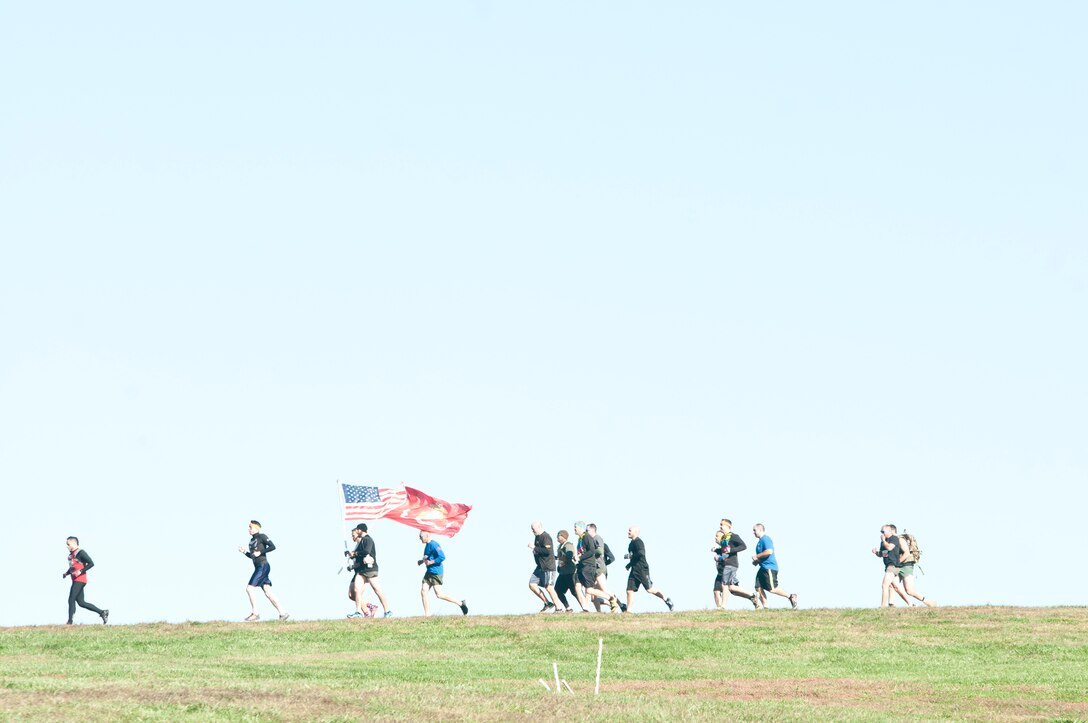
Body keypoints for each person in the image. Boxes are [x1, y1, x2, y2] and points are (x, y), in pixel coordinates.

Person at [239, 520, 288, 622]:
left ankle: (255, 613)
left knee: (249, 588)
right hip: (258, 567)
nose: (248, 529)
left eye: (250, 527)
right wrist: (244, 552)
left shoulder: (262, 536)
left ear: (256, 528)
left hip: (263, 566)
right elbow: (253, 556)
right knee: (268, 592)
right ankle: (283, 613)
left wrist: (260, 552)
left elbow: (272, 546)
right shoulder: (251, 541)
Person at [573, 521, 623, 612]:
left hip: (589, 566)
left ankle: (610, 598)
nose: (574, 529)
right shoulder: (580, 539)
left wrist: (580, 557)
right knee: (584, 589)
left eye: (575, 527)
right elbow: (583, 551)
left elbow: (592, 551)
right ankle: (589, 609)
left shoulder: (587, 537)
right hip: (582, 566)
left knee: (590, 590)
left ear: (580, 528)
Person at [623, 526, 673, 613]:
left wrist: (630, 556)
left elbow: (641, 553)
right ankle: (629, 611)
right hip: (634, 570)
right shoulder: (631, 544)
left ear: (635, 532)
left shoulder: (638, 542)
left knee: (649, 590)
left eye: (630, 531)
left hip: (642, 570)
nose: (628, 532)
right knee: (629, 590)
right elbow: (634, 558)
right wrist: (629, 564)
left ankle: (666, 599)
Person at [418, 531, 468, 616]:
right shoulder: (427, 546)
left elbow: (442, 557)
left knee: (439, 594)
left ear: (427, 535)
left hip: (436, 572)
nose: (420, 538)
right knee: (423, 591)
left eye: (421, 536)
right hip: (429, 572)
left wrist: (431, 562)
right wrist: (422, 561)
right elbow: (427, 556)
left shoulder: (434, 545)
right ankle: (427, 615)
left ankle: (461, 603)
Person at [715, 519, 762, 609]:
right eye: (720, 524)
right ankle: (752, 596)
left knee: (724, 585)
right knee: (732, 588)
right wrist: (716, 551)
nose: (720, 526)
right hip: (726, 563)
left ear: (729, 526)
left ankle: (723, 606)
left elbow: (743, 546)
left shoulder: (733, 536)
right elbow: (724, 551)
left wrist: (731, 550)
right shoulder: (724, 538)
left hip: (731, 563)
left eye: (722, 525)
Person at [346, 524, 392, 618]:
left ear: (361, 530)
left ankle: (387, 611)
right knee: (357, 590)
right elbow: (356, 554)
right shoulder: (362, 540)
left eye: (358, 529)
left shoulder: (368, 539)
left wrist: (355, 553)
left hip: (370, 569)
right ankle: (358, 612)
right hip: (362, 571)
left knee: (377, 590)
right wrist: (351, 555)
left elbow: (366, 551)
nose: (357, 530)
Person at [750, 523, 798, 609]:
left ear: (760, 530)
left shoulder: (766, 539)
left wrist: (757, 556)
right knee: (758, 587)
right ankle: (765, 607)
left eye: (754, 530)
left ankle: (791, 596)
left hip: (769, 567)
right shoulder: (759, 542)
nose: (753, 532)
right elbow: (764, 555)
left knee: (772, 588)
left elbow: (769, 551)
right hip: (763, 568)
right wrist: (757, 561)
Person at [63, 536, 108, 625]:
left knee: (71, 599)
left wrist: (80, 571)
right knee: (81, 602)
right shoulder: (71, 555)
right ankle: (102, 612)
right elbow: (73, 568)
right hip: (75, 580)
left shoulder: (81, 553)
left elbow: (91, 563)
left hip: (80, 580)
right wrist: (66, 573)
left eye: (68, 544)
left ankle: (70, 622)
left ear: (74, 543)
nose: (67, 546)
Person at [527, 521, 562, 612]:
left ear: (539, 527)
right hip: (539, 567)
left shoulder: (546, 537)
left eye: (533, 529)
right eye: (531, 529)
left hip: (548, 567)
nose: (532, 531)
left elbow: (547, 551)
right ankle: (547, 603)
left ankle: (559, 608)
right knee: (532, 584)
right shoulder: (537, 537)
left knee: (549, 587)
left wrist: (534, 548)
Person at [553, 529, 582, 612]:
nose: (557, 537)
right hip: (563, 573)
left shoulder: (568, 545)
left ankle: (585, 607)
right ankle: (568, 608)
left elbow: (569, 555)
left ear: (564, 537)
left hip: (570, 573)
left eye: (559, 535)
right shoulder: (560, 546)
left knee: (575, 592)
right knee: (557, 591)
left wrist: (559, 558)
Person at [712, 530, 726, 610]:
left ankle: (751, 596)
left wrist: (719, 558)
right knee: (716, 591)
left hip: (726, 571)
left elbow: (727, 556)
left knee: (733, 590)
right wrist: (715, 550)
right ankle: (720, 609)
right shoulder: (720, 548)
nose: (715, 537)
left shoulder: (725, 546)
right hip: (720, 573)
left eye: (717, 536)